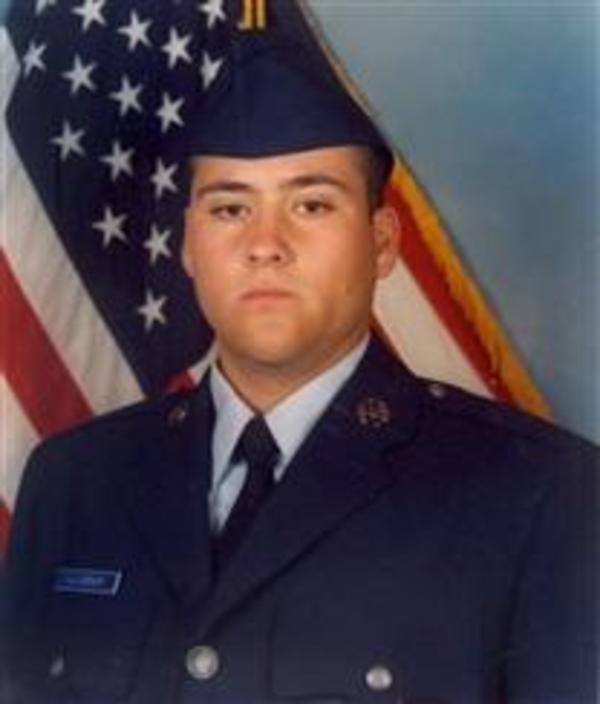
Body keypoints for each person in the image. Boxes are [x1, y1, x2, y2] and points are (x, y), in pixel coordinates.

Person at [1, 34, 597, 704]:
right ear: (189, 244)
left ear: (382, 243)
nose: (265, 246)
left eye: (311, 205)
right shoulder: (73, 484)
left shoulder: (541, 497)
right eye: (230, 208)